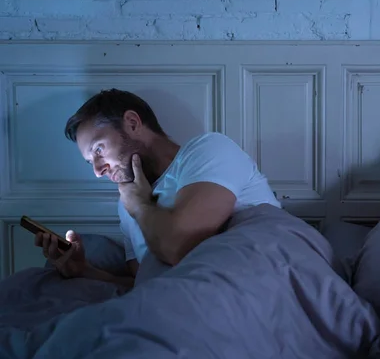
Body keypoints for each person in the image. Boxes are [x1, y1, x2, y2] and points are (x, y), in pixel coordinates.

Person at [35, 88, 281, 287]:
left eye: (98, 150)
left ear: (132, 123)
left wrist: (140, 205)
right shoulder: (127, 204)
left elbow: (178, 247)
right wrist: (83, 270)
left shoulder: (209, 150)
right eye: (90, 162)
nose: (98, 171)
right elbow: (142, 284)